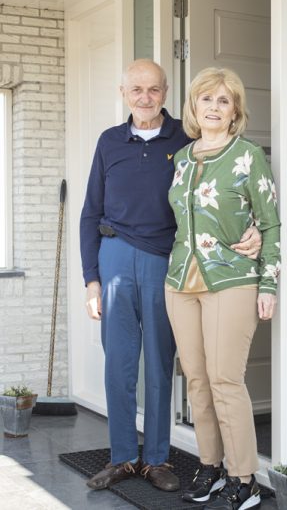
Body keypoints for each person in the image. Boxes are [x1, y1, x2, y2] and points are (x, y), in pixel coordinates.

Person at [79, 59, 262, 492]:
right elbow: (89, 213)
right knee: (119, 365)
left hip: (168, 259)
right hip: (115, 256)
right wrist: (92, 279)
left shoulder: (188, 136)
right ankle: (123, 457)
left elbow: (225, 180)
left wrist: (252, 225)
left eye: (154, 90)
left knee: (161, 363)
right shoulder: (109, 142)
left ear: (166, 92)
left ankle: (157, 459)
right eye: (136, 90)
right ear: (124, 93)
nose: (145, 97)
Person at [165, 67, 281, 509]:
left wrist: (268, 283)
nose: (213, 108)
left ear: (235, 110)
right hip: (180, 281)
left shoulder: (248, 155)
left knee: (225, 379)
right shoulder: (180, 159)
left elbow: (270, 224)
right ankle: (210, 466)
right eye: (205, 99)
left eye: (223, 101)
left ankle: (244, 477)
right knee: (195, 380)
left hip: (232, 278)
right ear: (193, 107)